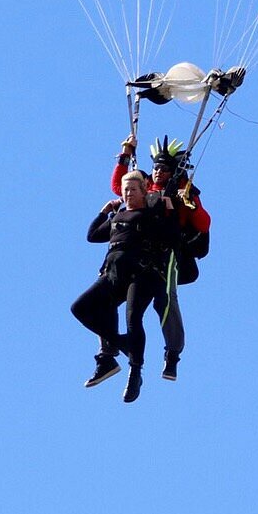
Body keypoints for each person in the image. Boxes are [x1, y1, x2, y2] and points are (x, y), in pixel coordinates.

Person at [71, 169, 182, 402]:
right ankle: (120, 344)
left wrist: (169, 206)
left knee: (133, 318)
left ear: (144, 192)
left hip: (141, 276)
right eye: (125, 189)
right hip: (112, 276)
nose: (128, 193)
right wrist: (105, 211)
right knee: (80, 308)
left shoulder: (150, 215)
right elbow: (92, 236)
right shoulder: (117, 218)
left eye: (133, 189)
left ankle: (135, 371)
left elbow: (172, 236)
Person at [112, 135, 211, 380]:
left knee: (164, 301)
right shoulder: (146, 187)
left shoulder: (183, 192)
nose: (157, 172)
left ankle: (172, 354)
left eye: (163, 168)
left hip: (168, 256)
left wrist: (188, 202)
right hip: (142, 254)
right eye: (156, 167)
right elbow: (119, 187)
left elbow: (203, 223)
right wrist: (125, 155)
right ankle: (108, 350)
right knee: (112, 291)